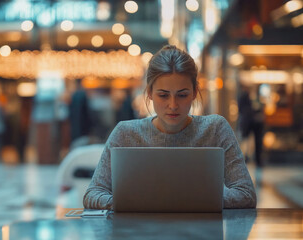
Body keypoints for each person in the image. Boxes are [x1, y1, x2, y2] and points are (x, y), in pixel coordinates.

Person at [83, 45, 256, 210]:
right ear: (149, 93)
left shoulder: (215, 129)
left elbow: (246, 194)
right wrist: (126, 202)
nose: (173, 105)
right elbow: (93, 193)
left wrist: (178, 200)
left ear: (195, 92)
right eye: (163, 95)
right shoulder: (126, 133)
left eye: (182, 95)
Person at [238, 85, 264, 167]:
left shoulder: (257, 97)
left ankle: (257, 159)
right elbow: (242, 110)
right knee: (245, 140)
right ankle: (245, 158)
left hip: (256, 123)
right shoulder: (243, 97)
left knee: (256, 141)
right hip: (247, 123)